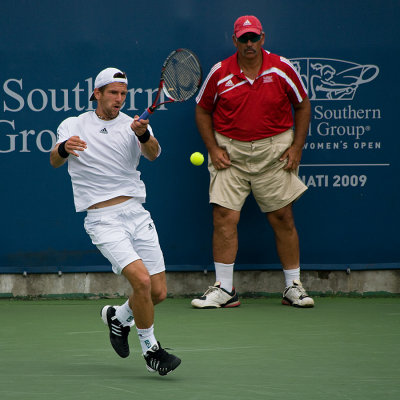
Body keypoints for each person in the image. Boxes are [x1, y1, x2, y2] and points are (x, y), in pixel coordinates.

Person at [50, 67, 181, 375]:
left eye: (123, 94)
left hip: (136, 213)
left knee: (158, 292)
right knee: (142, 281)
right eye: (113, 93)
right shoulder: (73, 123)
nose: (119, 99)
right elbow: (54, 159)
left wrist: (143, 134)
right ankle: (151, 350)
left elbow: (153, 154)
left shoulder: (133, 125)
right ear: (97, 93)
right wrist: (65, 148)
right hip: (102, 219)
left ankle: (119, 317)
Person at [191, 15, 314, 309]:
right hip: (229, 153)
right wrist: (213, 148)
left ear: (263, 38)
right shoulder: (219, 72)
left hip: (275, 152)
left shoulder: (283, 68)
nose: (249, 44)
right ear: (234, 41)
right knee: (224, 217)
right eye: (244, 39)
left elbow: (302, 104)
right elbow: (202, 111)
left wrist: (297, 146)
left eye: (254, 38)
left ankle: (293, 287)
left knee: (282, 216)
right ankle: (225, 290)